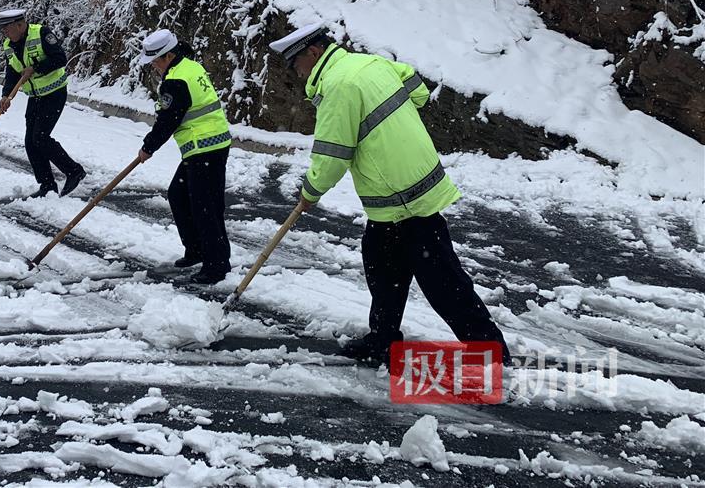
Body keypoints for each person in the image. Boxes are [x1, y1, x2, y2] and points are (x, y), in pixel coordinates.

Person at [270, 22, 511, 366]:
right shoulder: (370, 64)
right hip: (403, 191)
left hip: (403, 196)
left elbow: (332, 155)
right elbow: (418, 89)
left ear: (313, 52)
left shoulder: (338, 86)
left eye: (295, 64)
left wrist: (310, 193)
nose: (295, 72)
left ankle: (491, 355)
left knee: (443, 283)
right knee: (382, 267)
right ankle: (383, 340)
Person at [136, 29, 233, 285]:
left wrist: (148, 147)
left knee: (205, 206)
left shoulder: (176, 80)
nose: (154, 67)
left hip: (205, 146)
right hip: (207, 144)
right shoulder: (190, 66)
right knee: (179, 196)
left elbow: (168, 120)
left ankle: (216, 264)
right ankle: (197, 250)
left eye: (155, 61)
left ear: (168, 56)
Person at [0, 9, 86, 197]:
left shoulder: (42, 34)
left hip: (54, 92)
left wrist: (36, 68)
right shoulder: (9, 45)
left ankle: (74, 171)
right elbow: (12, 72)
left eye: (7, 29)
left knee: (41, 137)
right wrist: (6, 95)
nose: (4, 33)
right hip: (35, 96)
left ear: (20, 25)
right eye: (3, 30)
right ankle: (47, 185)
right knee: (30, 142)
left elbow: (60, 59)